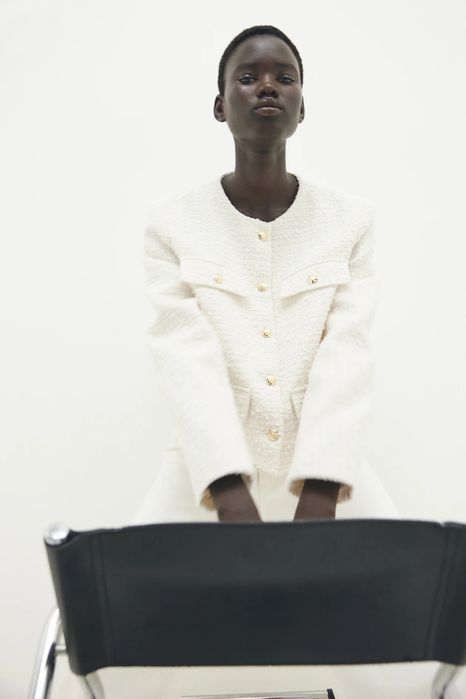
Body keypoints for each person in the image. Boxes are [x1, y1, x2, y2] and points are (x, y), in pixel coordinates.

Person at [53, 24, 440, 699]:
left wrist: (321, 491)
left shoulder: (350, 221)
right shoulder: (172, 222)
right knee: (123, 645)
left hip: (325, 472)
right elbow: (183, 348)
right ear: (219, 105)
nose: (267, 86)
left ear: (302, 106)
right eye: (248, 76)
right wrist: (228, 492)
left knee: (406, 642)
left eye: (284, 77)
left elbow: (348, 350)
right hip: (205, 472)